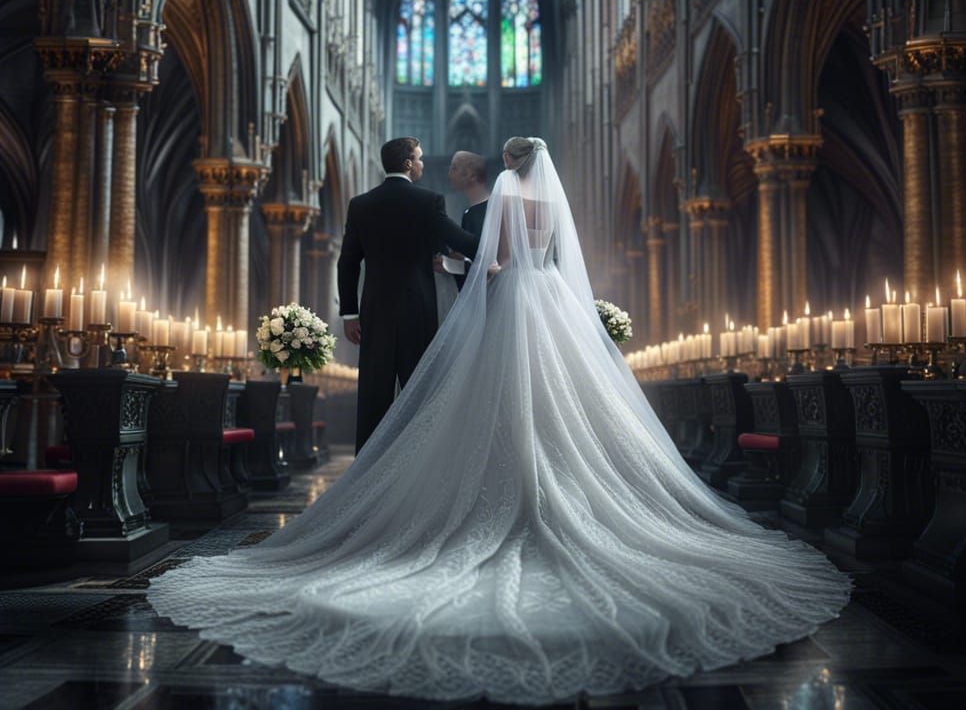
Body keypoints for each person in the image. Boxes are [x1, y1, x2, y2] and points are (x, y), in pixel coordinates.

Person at [149, 136, 850, 706]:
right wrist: (457, 256)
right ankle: (557, 485)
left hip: (489, 305)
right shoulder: (536, 204)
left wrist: (451, 272)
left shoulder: (446, 202)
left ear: (503, 168)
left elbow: (485, 261)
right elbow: (529, 257)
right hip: (553, 309)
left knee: (472, 399)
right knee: (563, 403)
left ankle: (396, 482)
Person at [336, 136, 479, 450]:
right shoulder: (429, 201)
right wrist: (497, 241)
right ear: (408, 164)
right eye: (420, 157)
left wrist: (350, 313)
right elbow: (463, 241)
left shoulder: (361, 204)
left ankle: (366, 471)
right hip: (418, 308)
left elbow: (347, 262)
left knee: (374, 394)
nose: (423, 163)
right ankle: (415, 462)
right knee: (419, 392)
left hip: (374, 310)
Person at [446, 149, 490, 288]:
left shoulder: (479, 213)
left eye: (454, 168)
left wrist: (456, 265)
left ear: (472, 175)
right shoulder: (471, 212)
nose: (449, 174)